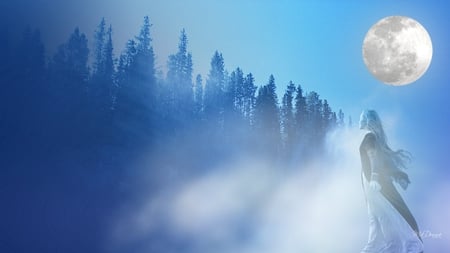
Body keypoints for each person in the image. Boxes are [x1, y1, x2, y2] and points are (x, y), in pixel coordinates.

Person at [359, 110, 423, 253]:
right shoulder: (374, 137)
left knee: (392, 216)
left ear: (367, 120)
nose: (360, 120)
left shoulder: (370, 137)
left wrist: (375, 177)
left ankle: (412, 247)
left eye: (362, 118)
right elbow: (382, 161)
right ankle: (384, 248)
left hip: (377, 187)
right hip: (372, 188)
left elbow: (373, 157)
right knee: (378, 220)